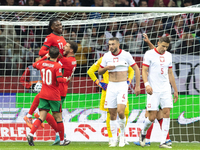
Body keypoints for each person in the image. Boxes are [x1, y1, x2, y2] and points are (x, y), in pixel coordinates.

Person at [98, 37, 140, 147]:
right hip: (111, 86)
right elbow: (99, 71)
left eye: (112, 44)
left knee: (121, 112)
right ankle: (113, 139)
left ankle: (122, 136)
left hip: (122, 86)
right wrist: (107, 67)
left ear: (118, 45)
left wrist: (138, 86)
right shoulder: (106, 56)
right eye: (109, 44)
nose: (110, 46)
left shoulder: (126, 55)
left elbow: (136, 69)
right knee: (112, 114)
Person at [133, 33, 172, 146]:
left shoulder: (165, 55)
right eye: (162, 46)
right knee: (153, 116)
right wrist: (146, 84)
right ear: (159, 43)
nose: (164, 49)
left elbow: (159, 54)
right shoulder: (151, 54)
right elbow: (155, 53)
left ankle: (157, 140)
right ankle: (148, 138)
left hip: (162, 88)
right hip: (153, 88)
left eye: (166, 47)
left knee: (159, 114)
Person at [26, 46, 69, 146]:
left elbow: (34, 64)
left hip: (43, 94)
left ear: (48, 54)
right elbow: (59, 80)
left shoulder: (42, 63)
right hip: (54, 95)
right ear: (58, 55)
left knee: (41, 117)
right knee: (58, 118)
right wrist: (65, 79)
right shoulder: (57, 66)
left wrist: (44, 57)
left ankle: (31, 134)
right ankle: (62, 141)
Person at [87, 57, 134, 145]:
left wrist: (129, 80)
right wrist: (99, 83)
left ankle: (121, 136)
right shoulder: (103, 59)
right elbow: (90, 71)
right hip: (108, 90)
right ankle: (111, 138)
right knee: (110, 114)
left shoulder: (123, 57)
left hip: (121, 88)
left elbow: (131, 70)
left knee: (125, 112)